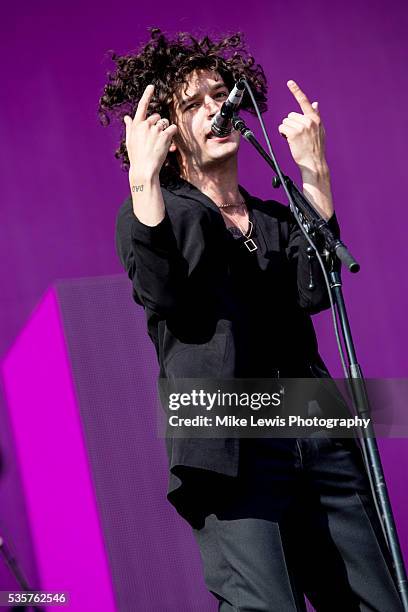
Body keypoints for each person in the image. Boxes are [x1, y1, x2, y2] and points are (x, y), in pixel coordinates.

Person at [99, 28, 403, 611]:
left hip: (316, 431)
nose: (217, 109)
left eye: (222, 94)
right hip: (229, 442)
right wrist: (144, 179)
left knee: (377, 602)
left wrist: (314, 171)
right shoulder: (158, 213)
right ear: (168, 131)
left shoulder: (272, 215)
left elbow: (316, 292)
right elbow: (162, 295)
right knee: (264, 605)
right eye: (194, 104)